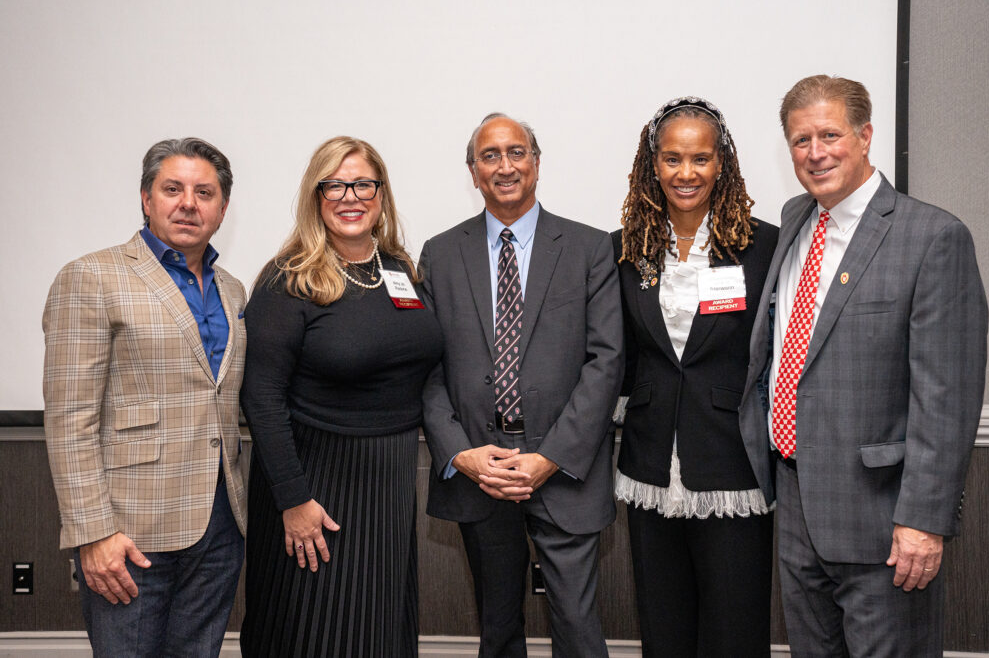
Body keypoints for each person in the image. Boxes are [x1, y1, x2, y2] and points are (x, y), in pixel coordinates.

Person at [738, 75, 988, 657]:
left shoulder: (933, 236)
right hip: (797, 501)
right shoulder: (797, 217)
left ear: (866, 135)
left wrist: (924, 522)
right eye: (801, 140)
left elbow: (946, 398)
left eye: (830, 135)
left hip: (886, 521)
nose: (815, 152)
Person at [419, 113, 624, 658]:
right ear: (472, 171)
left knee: (578, 627)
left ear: (536, 163)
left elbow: (606, 361)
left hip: (563, 469)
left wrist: (549, 457)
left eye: (516, 153)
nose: (504, 166)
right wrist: (461, 454)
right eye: (490, 156)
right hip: (478, 469)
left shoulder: (588, 248)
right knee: (497, 626)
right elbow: (426, 369)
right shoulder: (439, 254)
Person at [240, 136, 443, 657]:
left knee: (377, 628)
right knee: (311, 629)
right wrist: (293, 498)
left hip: (389, 478)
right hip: (314, 482)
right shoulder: (289, 279)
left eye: (362, 184)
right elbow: (261, 397)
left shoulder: (399, 269)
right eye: (334, 185)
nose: (349, 196)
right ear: (316, 195)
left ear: (381, 195)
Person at [42, 137, 246, 656]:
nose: (188, 203)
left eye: (205, 192)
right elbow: (70, 417)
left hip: (221, 525)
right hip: (130, 531)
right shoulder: (91, 277)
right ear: (145, 197)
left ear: (222, 208)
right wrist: (93, 532)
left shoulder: (234, 289)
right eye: (172, 188)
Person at [612, 96, 778, 657]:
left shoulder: (764, 247)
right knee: (663, 629)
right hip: (650, 464)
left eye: (701, 159)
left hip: (733, 461)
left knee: (735, 629)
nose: (686, 174)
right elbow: (624, 357)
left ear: (721, 163)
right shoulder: (625, 251)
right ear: (652, 165)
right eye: (673, 159)